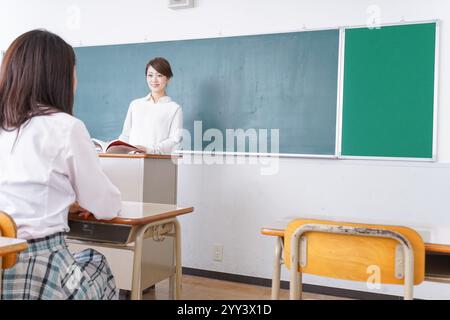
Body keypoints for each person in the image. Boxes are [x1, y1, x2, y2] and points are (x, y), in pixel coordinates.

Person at [0, 29, 122, 300]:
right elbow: (106, 206)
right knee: (97, 264)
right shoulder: (66, 128)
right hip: (40, 268)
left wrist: (63, 200)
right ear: (60, 77)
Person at [119, 57, 183, 154]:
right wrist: (114, 147)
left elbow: (175, 140)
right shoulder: (135, 104)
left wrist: (150, 150)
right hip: (131, 160)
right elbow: (125, 136)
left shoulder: (174, 108)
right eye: (150, 75)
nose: (154, 80)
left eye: (159, 75)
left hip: (156, 162)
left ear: (168, 79)